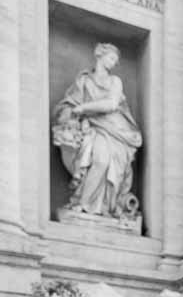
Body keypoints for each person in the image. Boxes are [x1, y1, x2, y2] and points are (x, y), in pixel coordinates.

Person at [52, 42, 142, 219]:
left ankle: (89, 205)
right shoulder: (84, 80)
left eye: (116, 60)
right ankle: (84, 204)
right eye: (111, 58)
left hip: (115, 129)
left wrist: (84, 108)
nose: (114, 63)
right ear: (100, 55)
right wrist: (70, 113)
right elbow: (69, 104)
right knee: (97, 159)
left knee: (102, 161)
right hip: (92, 127)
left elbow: (112, 104)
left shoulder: (115, 81)